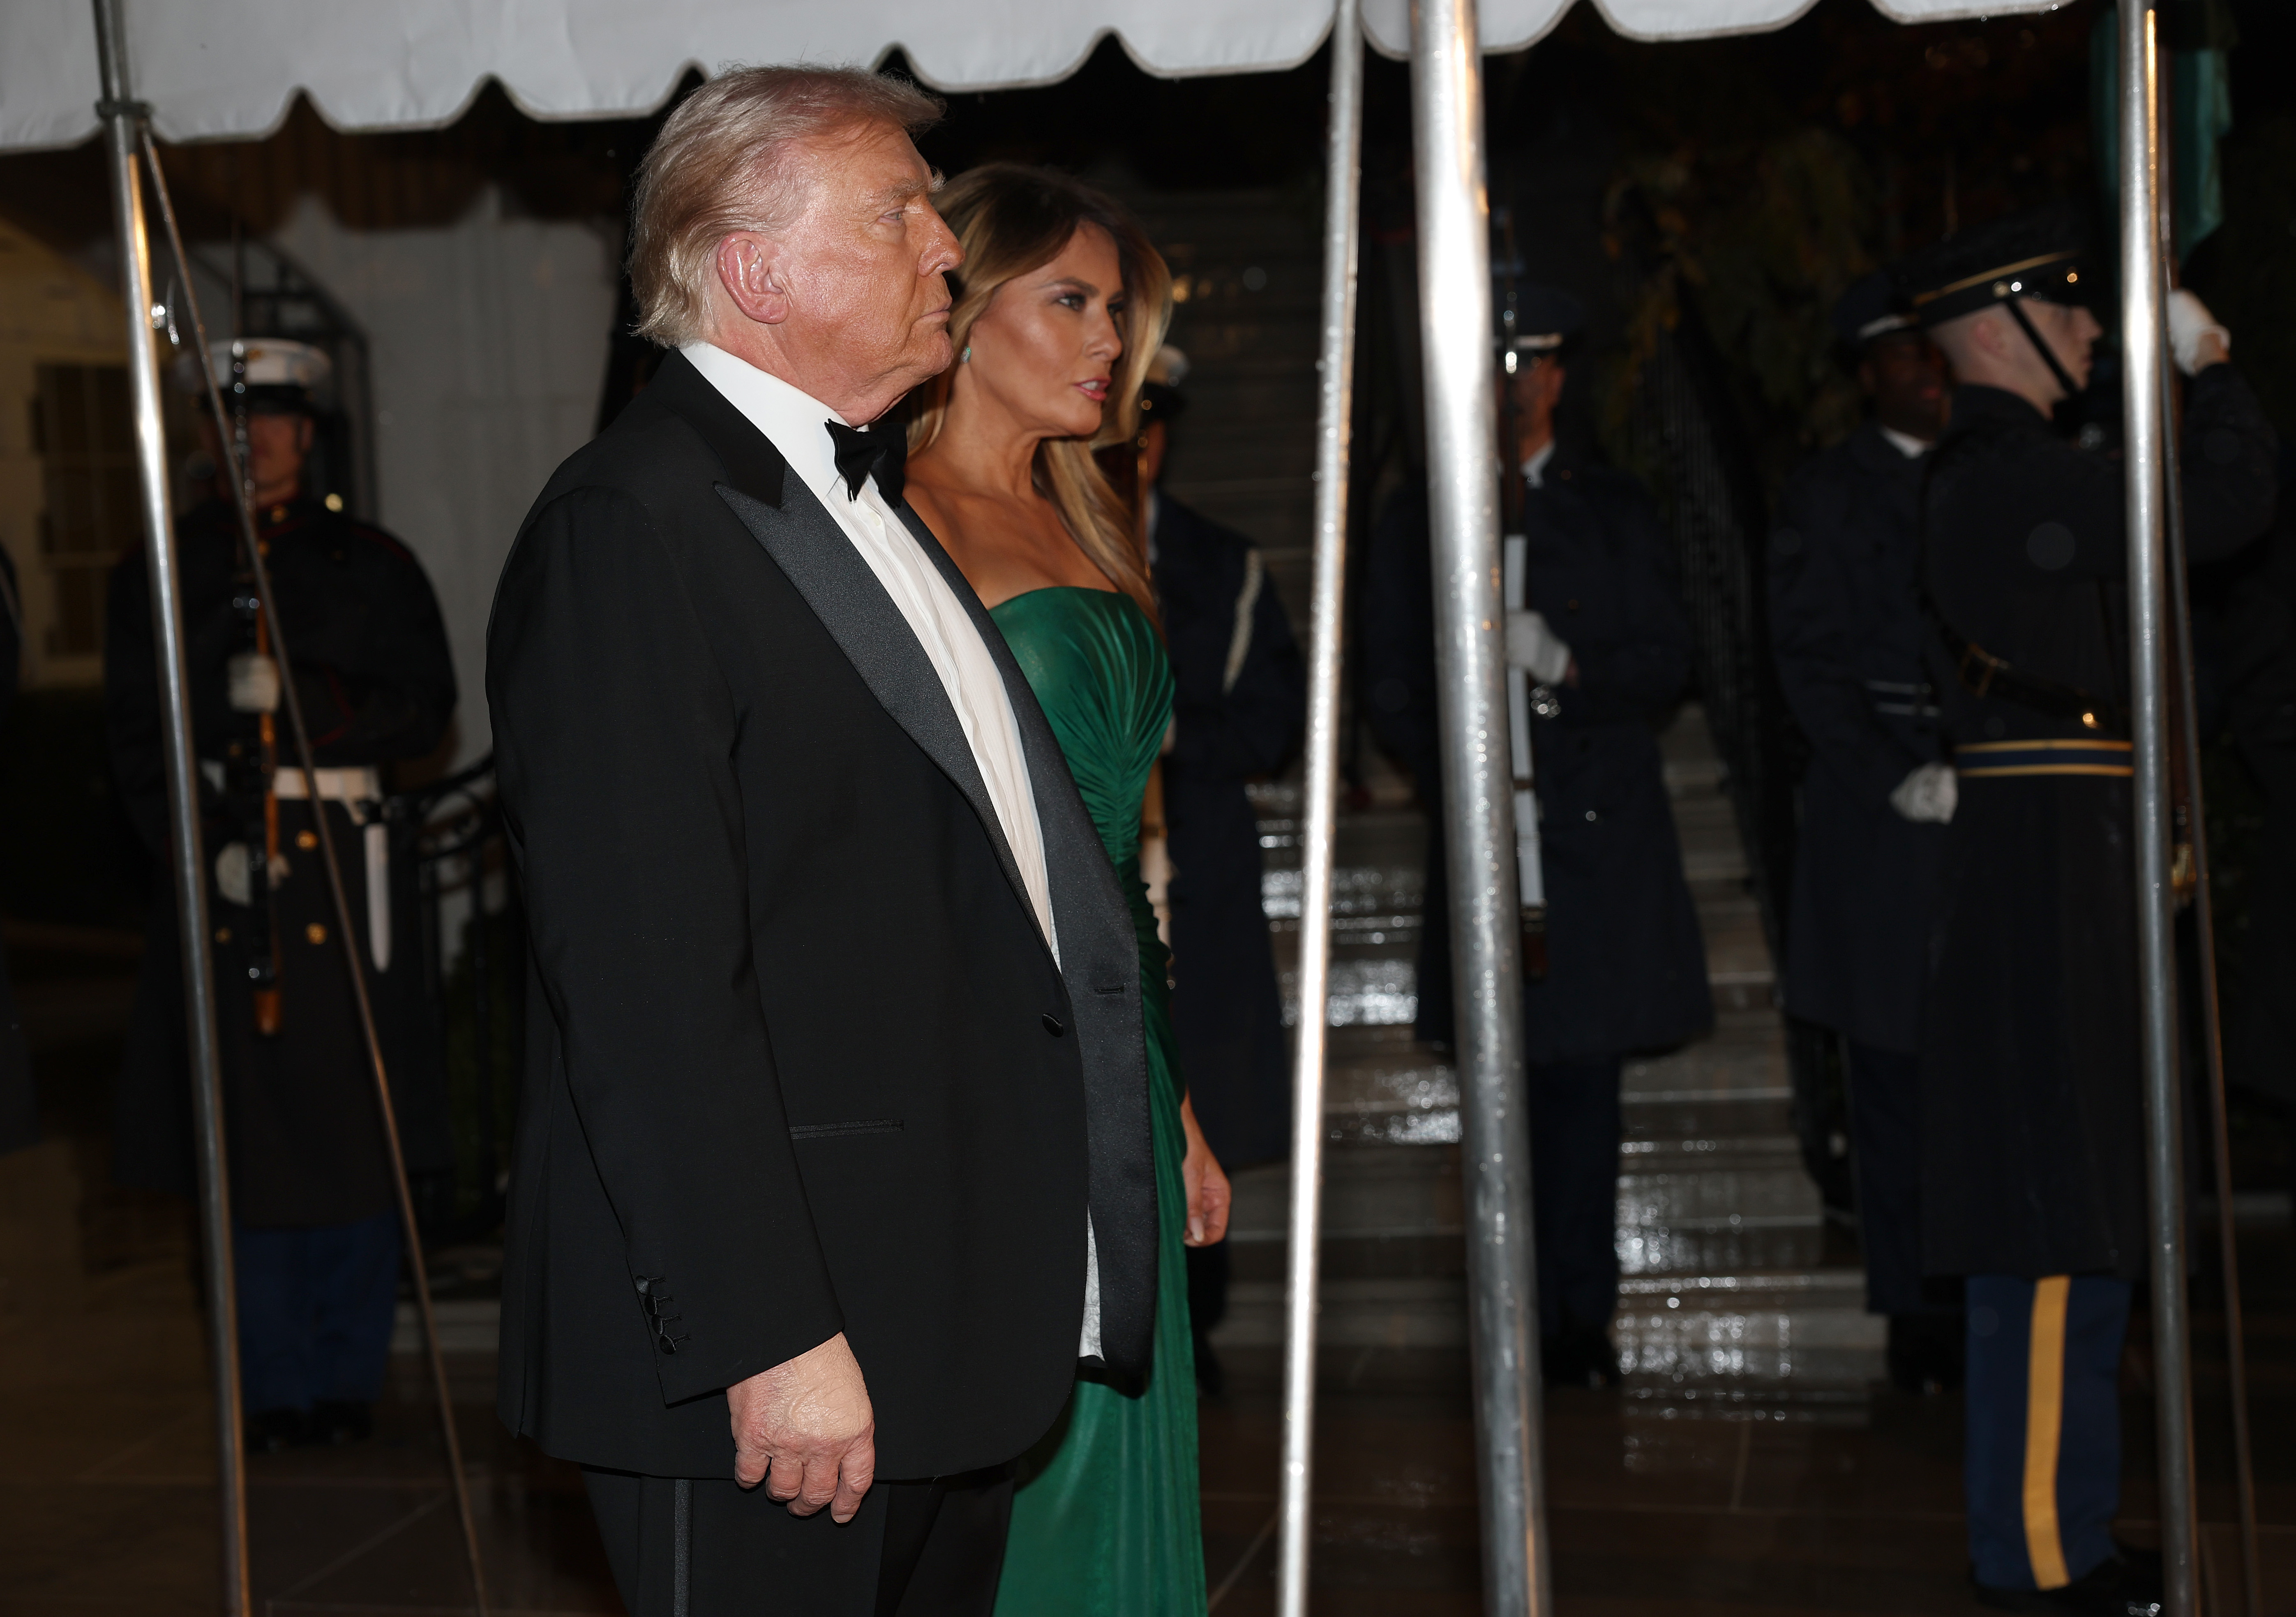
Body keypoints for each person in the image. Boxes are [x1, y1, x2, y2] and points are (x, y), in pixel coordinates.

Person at [488, 74, 1159, 1617]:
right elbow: (649, 982)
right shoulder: (631, 524)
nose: (943, 249)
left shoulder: (867, 503)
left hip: (939, 1309)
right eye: (898, 214)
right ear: (757, 271)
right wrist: (766, 1338)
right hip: (787, 1353)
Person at [1906, 202, 2276, 1614]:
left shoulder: (2026, 471)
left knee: (2086, 1210)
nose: (2085, 334)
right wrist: (2208, 368)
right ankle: (2036, 1555)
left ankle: (2068, 1525)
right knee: (2050, 1215)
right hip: (2037, 859)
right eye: (2065, 316)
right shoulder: (1996, 477)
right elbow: (2226, 497)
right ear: (1998, 330)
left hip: (2070, 840)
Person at [902, 163, 1232, 1617]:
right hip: (983, 1062)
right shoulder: (891, 520)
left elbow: (1110, 871)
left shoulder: (1088, 524)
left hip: (1113, 1054)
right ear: (963, 313)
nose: (1110, 339)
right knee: (1029, 1461)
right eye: (1074, 301)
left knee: (1126, 1443)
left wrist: (1171, 1104)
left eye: (1117, 310)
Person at [105, 337, 457, 1452]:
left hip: (344, 867)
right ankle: (270, 1382)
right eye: (233, 418)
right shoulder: (161, 567)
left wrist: (311, 698)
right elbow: (130, 733)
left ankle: (346, 1373)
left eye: (274, 417)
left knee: (355, 1125)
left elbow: (426, 706)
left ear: (307, 433)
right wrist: (194, 843)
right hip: (228, 871)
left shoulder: (374, 560)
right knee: (249, 1142)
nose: (253, 436)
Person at [1362, 284, 1710, 1387]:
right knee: (1498, 1098)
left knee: (1584, 1097)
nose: (1517, 385)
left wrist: (1564, 670)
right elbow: (1388, 675)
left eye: (1535, 363)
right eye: (1498, 364)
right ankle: (1506, 1311)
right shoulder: (1422, 512)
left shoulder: (1613, 509)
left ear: (1560, 374)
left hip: (1594, 840)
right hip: (1484, 836)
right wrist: (1458, 764)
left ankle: (1579, 1317)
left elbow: (1667, 659)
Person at [1767, 271, 1961, 1393]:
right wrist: (1896, 778)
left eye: (1931, 355)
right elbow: (1809, 661)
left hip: (1982, 819)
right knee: (1890, 1088)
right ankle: (1913, 1319)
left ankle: (1979, 1294)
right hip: (1881, 832)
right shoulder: (1824, 497)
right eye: (1899, 359)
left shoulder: (1982, 471)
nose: (1921, 375)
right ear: (1864, 374)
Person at [1136, 343, 1306, 1391]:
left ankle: (1199, 1318)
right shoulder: (1029, 540)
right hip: (1105, 853)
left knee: (1201, 1074)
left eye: (1152, 430)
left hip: (1197, 859)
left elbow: (1271, 721)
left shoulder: (1223, 563)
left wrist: (1158, 735)